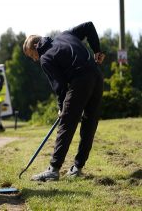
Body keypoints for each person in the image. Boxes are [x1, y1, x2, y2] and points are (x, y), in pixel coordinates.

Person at [23, 21, 105, 181]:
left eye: (31, 56)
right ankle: (77, 168)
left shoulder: (45, 58)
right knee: (90, 122)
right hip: (96, 75)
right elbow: (88, 26)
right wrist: (97, 50)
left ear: (35, 47)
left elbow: (60, 87)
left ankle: (53, 170)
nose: (34, 60)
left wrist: (62, 108)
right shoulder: (65, 35)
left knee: (67, 124)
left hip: (80, 79)